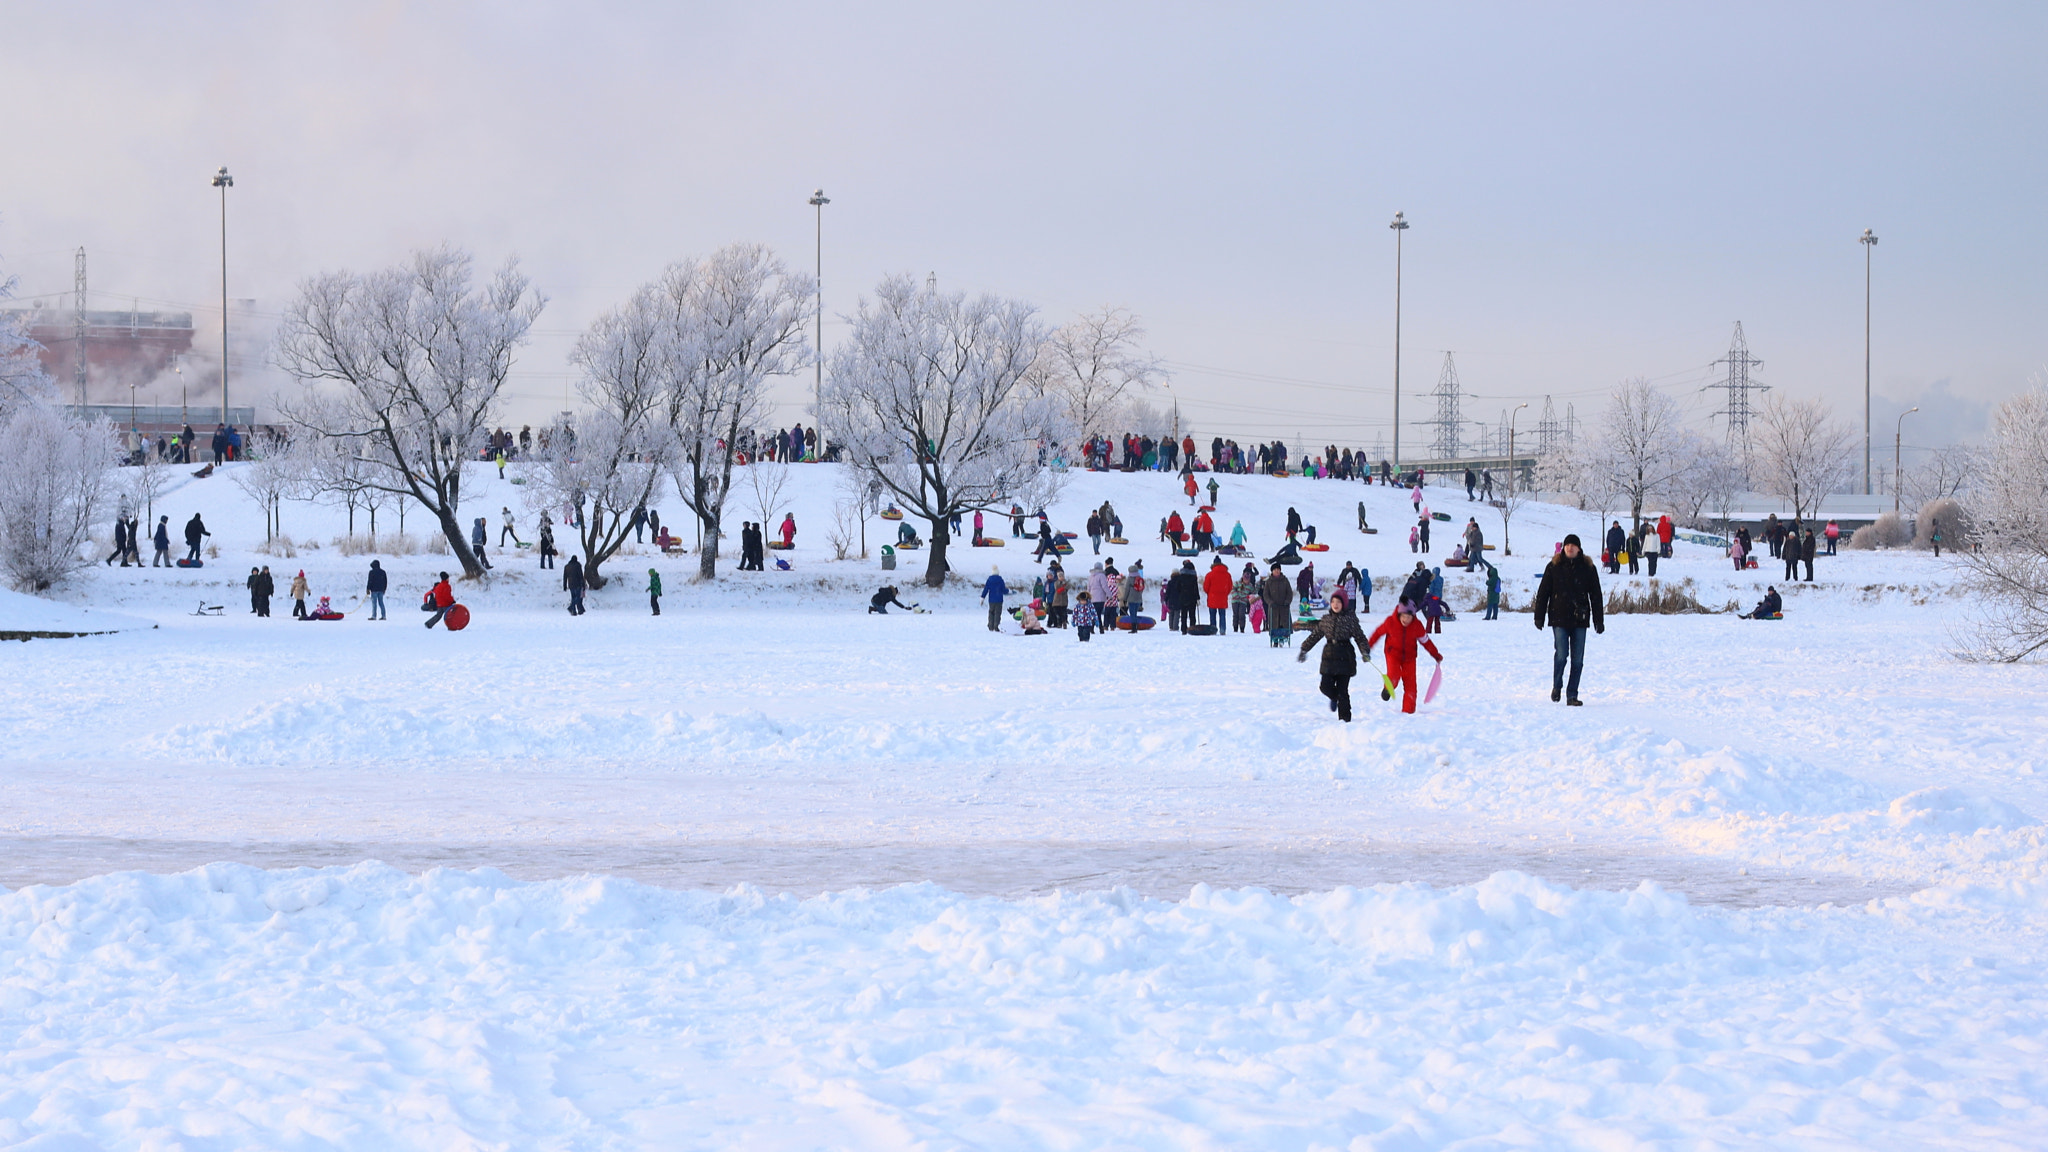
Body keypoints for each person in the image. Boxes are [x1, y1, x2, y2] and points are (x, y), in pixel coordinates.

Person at [1532, 533, 1604, 705]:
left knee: (1577, 660)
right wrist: (1539, 616)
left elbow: (1596, 595)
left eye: (1573, 545)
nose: (1570, 548)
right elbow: (1543, 593)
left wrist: (1598, 620)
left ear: (1579, 549)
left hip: (1580, 619)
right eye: (1567, 545)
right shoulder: (1554, 566)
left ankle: (1572, 695)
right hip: (1559, 618)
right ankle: (1557, 686)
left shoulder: (1588, 568)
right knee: (1561, 655)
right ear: (1563, 548)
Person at [1363, 597, 1444, 715]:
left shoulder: (1417, 625)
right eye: (1404, 616)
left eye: (1409, 617)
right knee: (1394, 676)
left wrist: (1435, 654)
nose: (1406, 619)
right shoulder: (1390, 622)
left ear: (1413, 616)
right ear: (1399, 614)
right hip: (1392, 654)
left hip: (1410, 657)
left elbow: (1426, 641)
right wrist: (1367, 648)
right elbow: (1377, 633)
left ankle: (1408, 712)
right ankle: (1387, 689)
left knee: (1411, 685)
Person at [1260, 563, 1294, 647]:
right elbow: (1266, 594)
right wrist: (1270, 602)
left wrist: (1287, 601)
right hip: (1273, 607)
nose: (1277, 571)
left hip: (1283, 606)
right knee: (1274, 624)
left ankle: (1282, 639)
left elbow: (1289, 593)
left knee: (1283, 623)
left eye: (1278, 569)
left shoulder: (1285, 580)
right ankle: (1275, 640)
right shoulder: (1269, 581)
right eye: (1275, 570)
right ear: (1272, 571)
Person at [981, 565, 1008, 631]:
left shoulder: (989, 580)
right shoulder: (1000, 580)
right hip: (999, 599)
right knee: (997, 613)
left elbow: (986, 589)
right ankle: (996, 626)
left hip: (991, 600)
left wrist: (982, 597)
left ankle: (990, 626)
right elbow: (1003, 590)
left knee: (991, 612)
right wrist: (1008, 591)